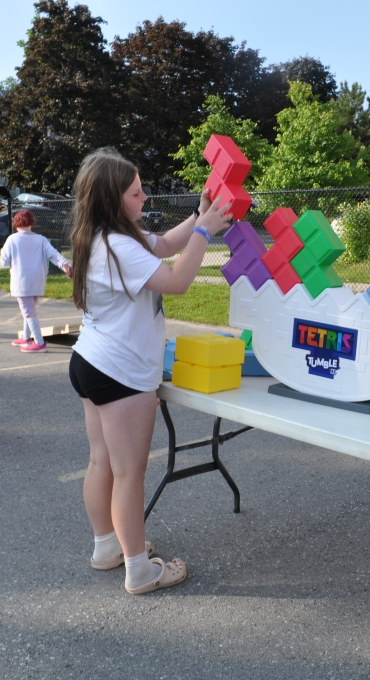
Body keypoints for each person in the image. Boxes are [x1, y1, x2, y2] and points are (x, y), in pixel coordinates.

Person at [67, 148, 233, 595]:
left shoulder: (105, 235)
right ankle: (139, 570)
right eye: (135, 193)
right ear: (112, 199)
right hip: (119, 374)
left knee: (102, 461)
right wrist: (205, 230)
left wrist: (197, 214)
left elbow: (163, 245)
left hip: (91, 363)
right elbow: (177, 282)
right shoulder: (120, 247)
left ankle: (108, 547)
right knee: (129, 473)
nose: (144, 198)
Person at [0, 209, 72, 353]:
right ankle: (26, 337)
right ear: (32, 222)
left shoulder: (12, 239)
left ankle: (39, 342)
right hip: (38, 280)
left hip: (22, 281)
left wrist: (2, 252)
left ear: (16, 223)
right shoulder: (41, 239)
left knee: (28, 312)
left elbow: (4, 262)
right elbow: (54, 255)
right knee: (29, 309)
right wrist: (66, 265)